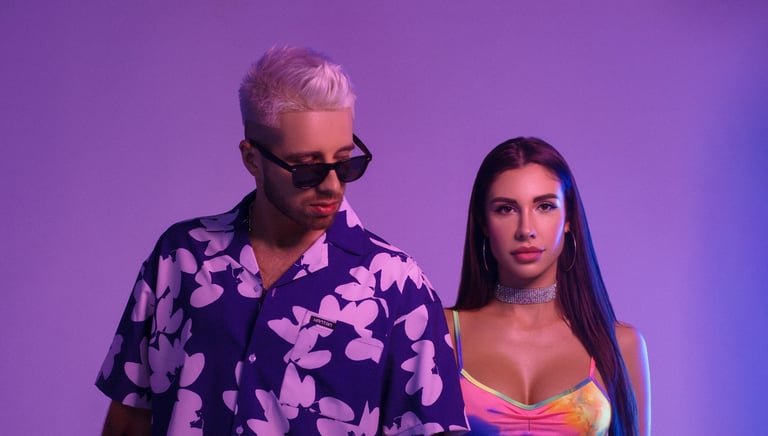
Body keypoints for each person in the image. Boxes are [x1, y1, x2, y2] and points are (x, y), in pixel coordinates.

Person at [96, 46, 468, 435]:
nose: (332, 185)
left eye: (345, 163)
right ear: (251, 159)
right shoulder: (180, 258)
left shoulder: (397, 285)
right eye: (307, 169)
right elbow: (128, 422)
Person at [446, 137, 650, 435]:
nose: (526, 229)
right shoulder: (443, 335)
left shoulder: (621, 345)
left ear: (568, 218)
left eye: (544, 206)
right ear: (483, 223)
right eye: (506, 209)